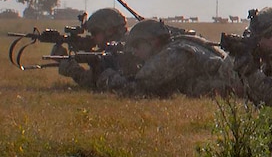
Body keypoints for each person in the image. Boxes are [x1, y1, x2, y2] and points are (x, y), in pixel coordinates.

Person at [98, 19, 237, 98]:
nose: (134, 51)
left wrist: (110, 77)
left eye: (136, 45)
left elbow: (140, 88)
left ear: (153, 41)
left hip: (231, 87)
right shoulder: (180, 44)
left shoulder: (171, 54)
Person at [52, 7, 128, 90]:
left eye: (94, 33)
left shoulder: (121, 49)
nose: (92, 37)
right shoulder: (128, 41)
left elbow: (92, 81)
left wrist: (69, 66)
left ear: (110, 30)